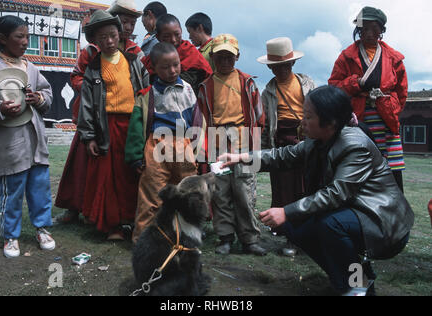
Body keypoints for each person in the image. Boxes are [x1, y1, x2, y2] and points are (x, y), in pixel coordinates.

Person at [219, 85, 414, 295]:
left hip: (383, 223)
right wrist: (241, 158)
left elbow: (336, 193)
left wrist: (285, 211)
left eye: (308, 116)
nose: (303, 121)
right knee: (295, 226)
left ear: (330, 123)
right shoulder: (316, 140)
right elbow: (282, 156)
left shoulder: (355, 146)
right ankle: (350, 279)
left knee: (329, 224)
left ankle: (356, 287)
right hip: (355, 215)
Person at [54, 2, 145, 224]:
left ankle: (124, 214)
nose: (129, 27)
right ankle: (77, 208)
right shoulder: (91, 53)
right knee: (84, 166)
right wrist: (93, 90)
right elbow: (76, 76)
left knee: (125, 168)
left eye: (132, 23)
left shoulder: (135, 52)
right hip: (95, 118)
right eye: (125, 22)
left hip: (127, 119)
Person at [0, 16, 56, 258]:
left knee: (40, 189)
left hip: (36, 143)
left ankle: (42, 228)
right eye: (20, 36)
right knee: (11, 192)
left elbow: (46, 91)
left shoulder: (30, 67)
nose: (26, 42)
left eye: (27, 37)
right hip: (10, 145)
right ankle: (10, 236)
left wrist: (40, 99)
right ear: (3, 39)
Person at [77, 10, 149, 240]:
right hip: (106, 126)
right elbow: (87, 105)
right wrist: (88, 137)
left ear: (119, 34)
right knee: (108, 176)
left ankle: (133, 220)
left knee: (132, 172)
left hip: (132, 125)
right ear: (95, 42)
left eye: (112, 35)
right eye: (102, 38)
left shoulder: (135, 62)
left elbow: (147, 92)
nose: (108, 41)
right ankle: (112, 225)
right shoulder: (94, 69)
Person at [125, 42, 205, 244]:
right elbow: (136, 125)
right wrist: (135, 156)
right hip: (157, 146)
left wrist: (200, 150)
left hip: (184, 146)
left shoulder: (188, 90)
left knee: (187, 193)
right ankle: (143, 241)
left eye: (175, 65)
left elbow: (197, 120)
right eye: (165, 67)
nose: (172, 70)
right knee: (152, 196)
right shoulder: (148, 94)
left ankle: (186, 238)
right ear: (154, 68)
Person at [197, 34, 266, 256]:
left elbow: (259, 115)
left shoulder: (247, 83)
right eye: (220, 57)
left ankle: (250, 239)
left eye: (229, 56)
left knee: (245, 192)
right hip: (217, 141)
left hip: (244, 139)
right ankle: (225, 237)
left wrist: (254, 143)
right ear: (213, 57)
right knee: (221, 192)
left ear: (237, 56)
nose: (225, 61)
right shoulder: (205, 86)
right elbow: (203, 119)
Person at [329, 6, 408, 192]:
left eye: (375, 28)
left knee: (392, 170)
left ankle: (395, 212)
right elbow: (334, 87)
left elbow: (401, 92)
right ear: (359, 30)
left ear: (382, 30)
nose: (370, 33)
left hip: (386, 120)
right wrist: (356, 83)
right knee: (361, 166)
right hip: (358, 119)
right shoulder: (346, 57)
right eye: (365, 28)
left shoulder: (394, 58)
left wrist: (391, 107)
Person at [258, 37, 316, 256]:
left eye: (284, 65)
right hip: (282, 144)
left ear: (292, 64)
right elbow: (265, 126)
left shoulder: (307, 84)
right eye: (276, 67)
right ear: (271, 68)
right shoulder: (268, 92)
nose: (280, 70)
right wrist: (264, 154)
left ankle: (308, 235)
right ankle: (291, 237)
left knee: (308, 189)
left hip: (308, 141)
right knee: (285, 192)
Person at [141, 14, 213, 95]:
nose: (173, 40)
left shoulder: (189, 52)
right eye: (167, 36)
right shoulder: (154, 57)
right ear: (158, 37)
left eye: (177, 34)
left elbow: (196, 78)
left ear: (181, 31)